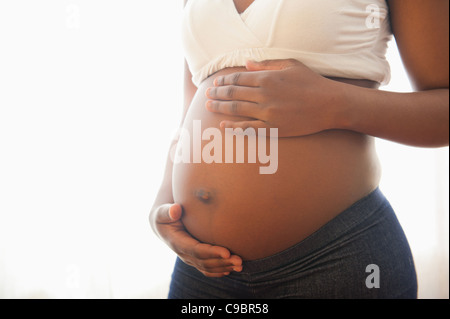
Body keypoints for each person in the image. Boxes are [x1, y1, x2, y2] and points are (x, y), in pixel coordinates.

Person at [150, 0, 449, 299]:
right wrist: (164, 204)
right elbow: (190, 110)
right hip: (202, 271)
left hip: (335, 261)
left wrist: (335, 104)